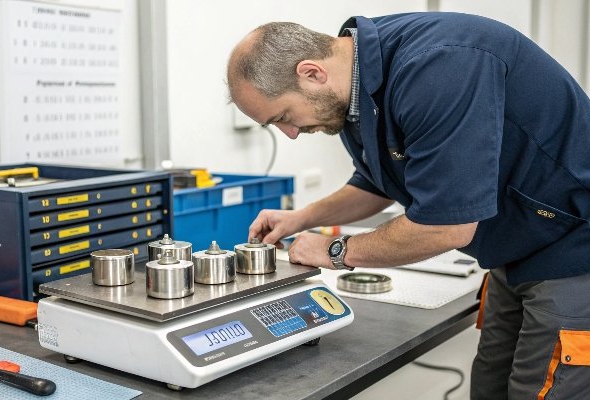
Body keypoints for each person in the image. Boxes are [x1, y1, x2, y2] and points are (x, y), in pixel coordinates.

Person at [226, 12, 590, 400]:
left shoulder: (440, 66)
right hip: (513, 251)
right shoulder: (354, 90)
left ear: (312, 73)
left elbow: (445, 226)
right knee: (489, 388)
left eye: (283, 116)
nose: (292, 133)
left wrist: (336, 251)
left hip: (573, 250)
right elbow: (378, 182)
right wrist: (302, 218)